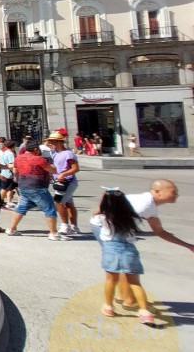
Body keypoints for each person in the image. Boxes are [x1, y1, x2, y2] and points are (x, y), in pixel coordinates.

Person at [117, 179, 193, 310]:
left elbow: (160, 232)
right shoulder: (145, 205)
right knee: (130, 266)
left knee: (125, 263)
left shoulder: (149, 205)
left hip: (112, 231)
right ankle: (129, 301)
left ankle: (123, 296)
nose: (176, 195)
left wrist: (189, 246)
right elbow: (160, 232)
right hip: (111, 232)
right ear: (157, 192)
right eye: (173, 192)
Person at [90, 189, 153, 324]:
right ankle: (144, 311)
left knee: (110, 280)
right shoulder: (134, 218)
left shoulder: (103, 217)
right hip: (129, 250)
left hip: (111, 249)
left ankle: (108, 306)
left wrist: (105, 199)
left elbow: (95, 215)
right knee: (135, 283)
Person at [5, 145, 68, 240]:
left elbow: (15, 171)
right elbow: (53, 170)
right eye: (39, 150)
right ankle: (53, 233)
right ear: (35, 149)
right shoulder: (38, 159)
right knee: (50, 209)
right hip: (37, 188)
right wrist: (49, 161)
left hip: (23, 186)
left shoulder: (18, 158)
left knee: (22, 207)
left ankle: (12, 229)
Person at [46, 131, 81, 235]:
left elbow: (75, 168)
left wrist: (63, 174)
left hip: (67, 182)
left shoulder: (68, 154)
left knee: (59, 202)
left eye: (52, 142)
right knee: (69, 203)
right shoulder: (55, 154)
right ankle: (74, 226)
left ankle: (65, 225)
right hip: (60, 182)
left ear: (59, 142)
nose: (50, 144)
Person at [0, 141, 19, 210]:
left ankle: (3, 202)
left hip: (4, 172)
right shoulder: (10, 154)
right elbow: (12, 164)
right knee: (5, 188)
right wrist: (15, 173)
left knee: (7, 188)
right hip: (8, 173)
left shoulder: (5, 152)